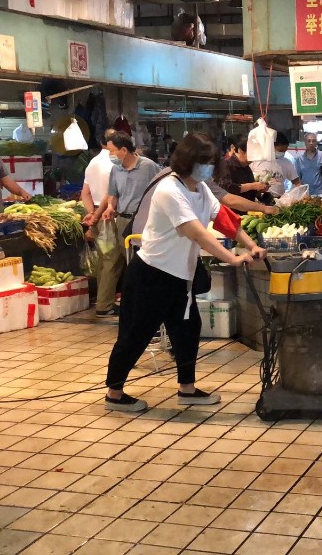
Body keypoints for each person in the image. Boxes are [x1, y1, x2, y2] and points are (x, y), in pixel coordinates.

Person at [104, 133, 264, 413]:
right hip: (151, 275)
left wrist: (252, 245)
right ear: (187, 161)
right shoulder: (169, 190)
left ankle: (187, 389)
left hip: (182, 277)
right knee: (135, 334)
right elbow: (197, 232)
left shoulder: (200, 189)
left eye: (211, 162)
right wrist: (232, 258)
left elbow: (224, 219)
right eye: (203, 162)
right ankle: (114, 394)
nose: (207, 168)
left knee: (187, 331)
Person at [90, 132, 161, 317]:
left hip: (143, 222)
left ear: (123, 150)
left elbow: (161, 188)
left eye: (112, 151)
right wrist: (110, 207)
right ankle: (114, 305)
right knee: (120, 262)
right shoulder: (116, 170)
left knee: (141, 263)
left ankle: (143, 305)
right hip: (121, 221)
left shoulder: (148, 166)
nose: (110, 155)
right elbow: (113, 194)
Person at [216, 134, 269, 205]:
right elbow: (227, 188)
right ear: (239, 150)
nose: (253, 158)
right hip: (231, 208)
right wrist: (252, 186)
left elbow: (251, 193)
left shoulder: (246, 167)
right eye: (251, 154)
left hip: (248, 208)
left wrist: (260, 189)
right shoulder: (226, 164)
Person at [251, 132, 301, 199]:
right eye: (280, 150)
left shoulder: (287, 162)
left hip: (279, 199)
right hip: (257, 199)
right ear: (271, 147)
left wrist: (301, 193)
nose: (282, 153)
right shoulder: (256, 160)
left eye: (285, 151)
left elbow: (296, 182)